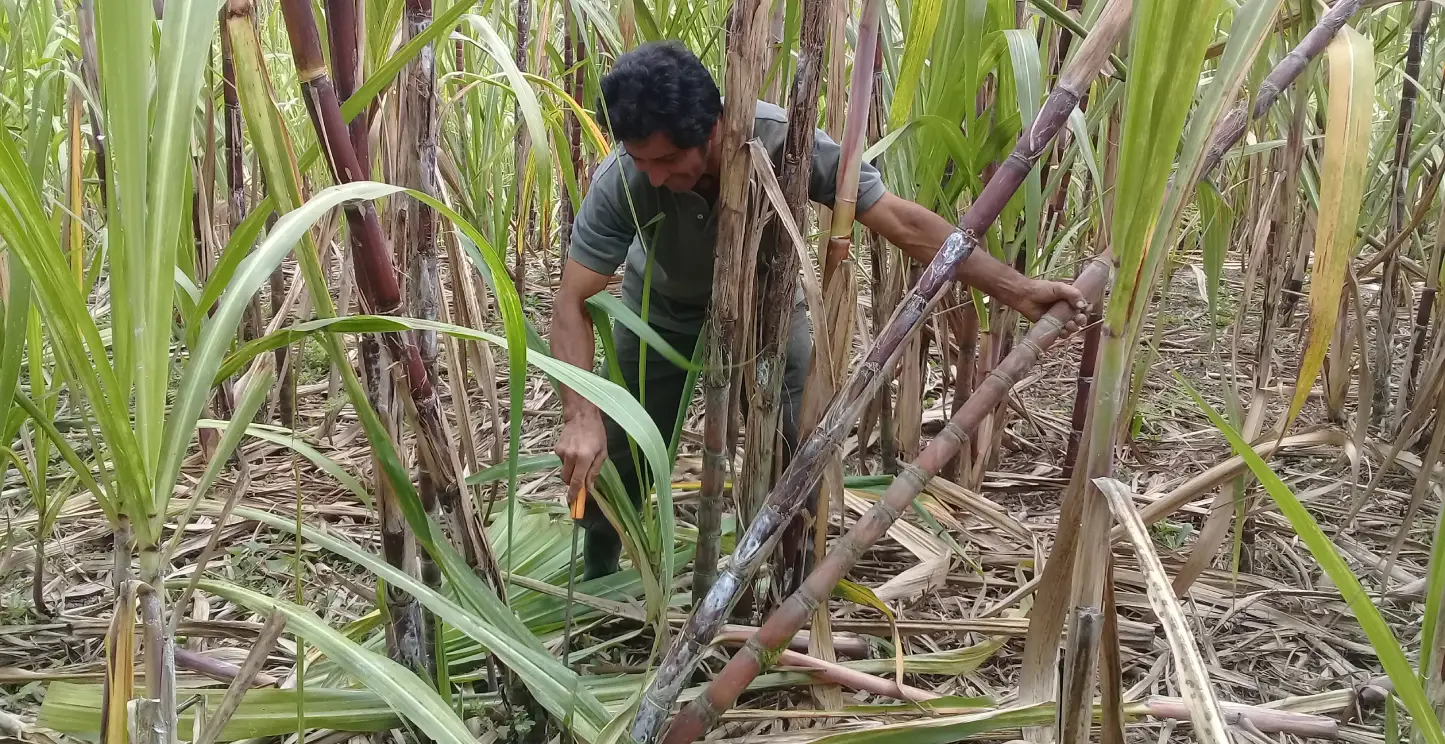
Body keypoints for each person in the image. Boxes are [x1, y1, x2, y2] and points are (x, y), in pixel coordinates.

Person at [551, 40, 1088, 580]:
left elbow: (903, 224)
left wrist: (1018, 290)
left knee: (794, 444)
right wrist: (581, 416)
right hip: (660, 311)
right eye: (643, 162)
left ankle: (793, 574)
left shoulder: (787, 141)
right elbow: (572, 302)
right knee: (613, 453)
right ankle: (599, 562)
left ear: (713, 127)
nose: (657, 176)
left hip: (770, 313)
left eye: (668, 160)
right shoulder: (622, 178)